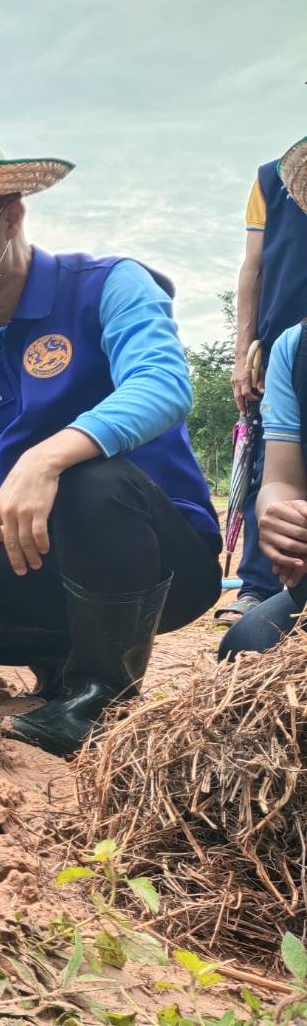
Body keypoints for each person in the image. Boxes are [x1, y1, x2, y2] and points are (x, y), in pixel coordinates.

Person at [0, 127, 221, 757]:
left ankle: (101, 690)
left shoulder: (108, 284)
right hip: (41, 552)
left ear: (10, 217)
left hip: (158, 555)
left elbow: (164, 385)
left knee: (89, 476)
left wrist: (47, 455)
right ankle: (60, 657)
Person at [221, 140, 307, 659]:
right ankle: (259, 581)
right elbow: (252, 269)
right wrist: (243, 352)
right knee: (268, 468)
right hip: (281, 344)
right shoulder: (268, 181)